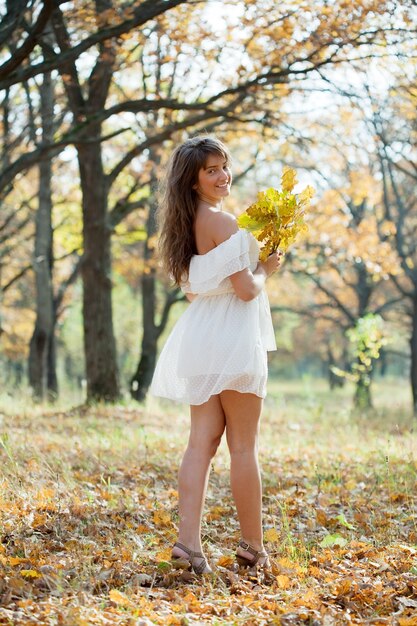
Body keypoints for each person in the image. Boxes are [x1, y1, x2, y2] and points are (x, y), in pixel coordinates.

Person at [150, 135, 282, 576]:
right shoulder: (225, 224)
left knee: (199, 444)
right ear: (192, 180)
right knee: (243, 447)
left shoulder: (182, 227)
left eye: (224, 166)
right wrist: (266, 268)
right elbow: (246, 291)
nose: (222, 175)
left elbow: (193, 290)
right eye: (211, 170)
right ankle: (252, 549)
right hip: (233, 341)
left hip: (202, 339)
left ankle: (188, 545)